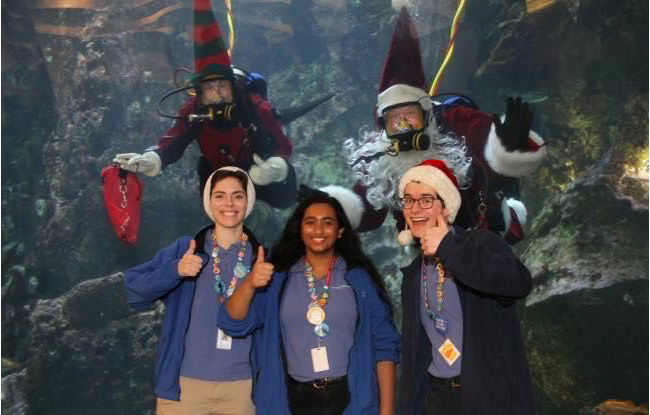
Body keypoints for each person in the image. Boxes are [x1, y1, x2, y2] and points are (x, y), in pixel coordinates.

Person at [343, 7, 547, 244]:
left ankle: (508, 215)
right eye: (394, 121)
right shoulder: (379, 152)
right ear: (383, 125)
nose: (404, 127)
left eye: (410, 115)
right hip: (427, 249)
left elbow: (487, 138)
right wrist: (329, 212)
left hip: (483, 230)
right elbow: (363, 213)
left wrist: (511, 146)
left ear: (427, 114)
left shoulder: (453, 120)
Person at [216, 186, 400, 415]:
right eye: (310, 222)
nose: (318, 230)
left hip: (353, 400)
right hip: (293, 400)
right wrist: (251, 282)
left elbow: (385, 346)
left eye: (328, 222)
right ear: (300, 229)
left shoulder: (359, 279)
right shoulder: (278, 278)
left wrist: (388, 410)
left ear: (341, 230)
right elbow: (232, 322)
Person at [113, 0, 297, 208]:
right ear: (200, 92)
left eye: (222, 87)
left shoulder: (254, 106)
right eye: (209, 88)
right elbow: (172, 143)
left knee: (284, 199)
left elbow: (282, 146)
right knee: (215, 210)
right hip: (218, 171)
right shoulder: (194, 109)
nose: (217, 94)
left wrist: (276, 168)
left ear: (234, 87)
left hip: (258, 168)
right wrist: (151, 160)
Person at [395, 159, 534, 415]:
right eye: (408, 200)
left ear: (446, 208)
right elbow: (415, 358)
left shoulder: (481, 243)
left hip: (489, 399)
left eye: (426, 199)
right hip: (439, 398)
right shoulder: (414, 275)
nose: (415, 208)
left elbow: (519, 282)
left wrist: (448, 246)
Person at [124, 166, 262, 415]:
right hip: (184, 387)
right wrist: (175, 270)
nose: (228, 203)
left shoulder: (262, 259)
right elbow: (134, 290)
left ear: (248, 201)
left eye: (237, 195)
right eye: (219, 195)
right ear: (208, 201)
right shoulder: (186, 248)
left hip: (243, 388)